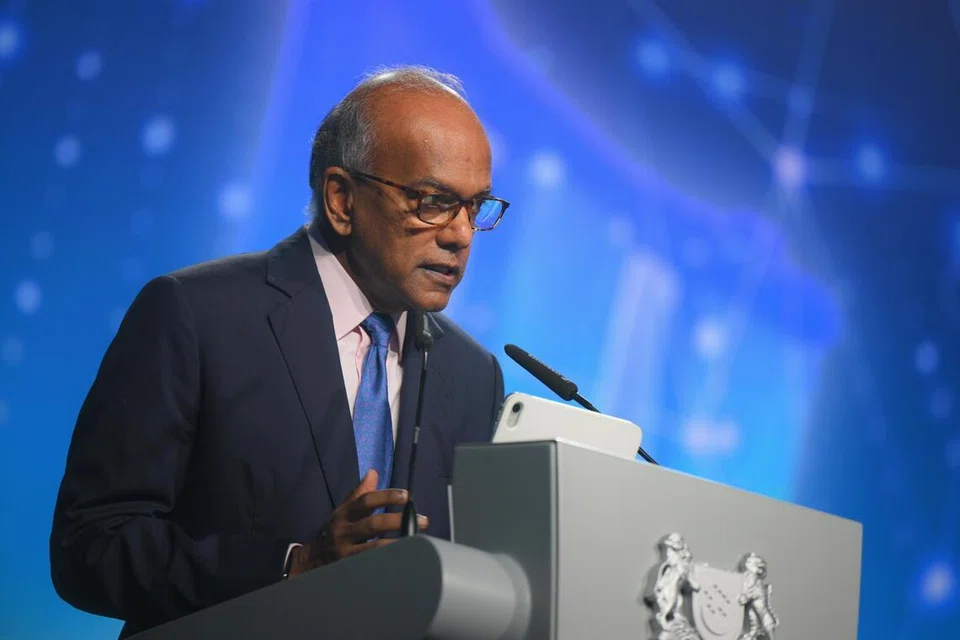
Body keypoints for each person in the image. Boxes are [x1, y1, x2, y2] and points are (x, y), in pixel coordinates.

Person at [50, 66, 509, 637]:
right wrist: (293, 567)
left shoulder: (474, 376)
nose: (461, 235)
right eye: (433, 202)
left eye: (476, 207)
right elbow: (90, 545)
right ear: (341, 200)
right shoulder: (195, 315)